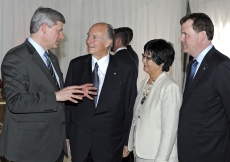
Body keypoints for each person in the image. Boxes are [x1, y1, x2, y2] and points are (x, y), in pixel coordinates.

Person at [0, 7, 96, 162]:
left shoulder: (51, 57)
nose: (62, 36)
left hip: (52, 147)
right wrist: (56, 95)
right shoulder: (16, 57)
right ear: (44, 28)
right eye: (59, 31)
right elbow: (16, 102)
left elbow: (53, 93)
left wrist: (75, 91)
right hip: (29, 149)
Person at [65, 22, 137, 162]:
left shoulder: (125, 69)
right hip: (80, 142)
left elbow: (129, 107)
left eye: (94, 37)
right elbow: (68, 105)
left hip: (111, 144)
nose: (88, 41)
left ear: (108, 42)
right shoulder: (76, 65)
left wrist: (128, 141)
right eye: (88, 36)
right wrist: (66, 135)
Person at [178, 13, 230, 162]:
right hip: (189, 150)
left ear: (202, 35)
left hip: (210, 152)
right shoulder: (191, 65)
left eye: (185, 34)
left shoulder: (221, 66)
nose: (181, 39)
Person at [128, 39, 182, 162]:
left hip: (159, 155)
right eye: (143, 56)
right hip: (143, 153)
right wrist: (130, 144)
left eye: (148, 58)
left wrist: (161, 159)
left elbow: (170, 130)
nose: (143, 61)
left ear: (162, 62)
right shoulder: (144, 83)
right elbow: (137, 116)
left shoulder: (169, 87)